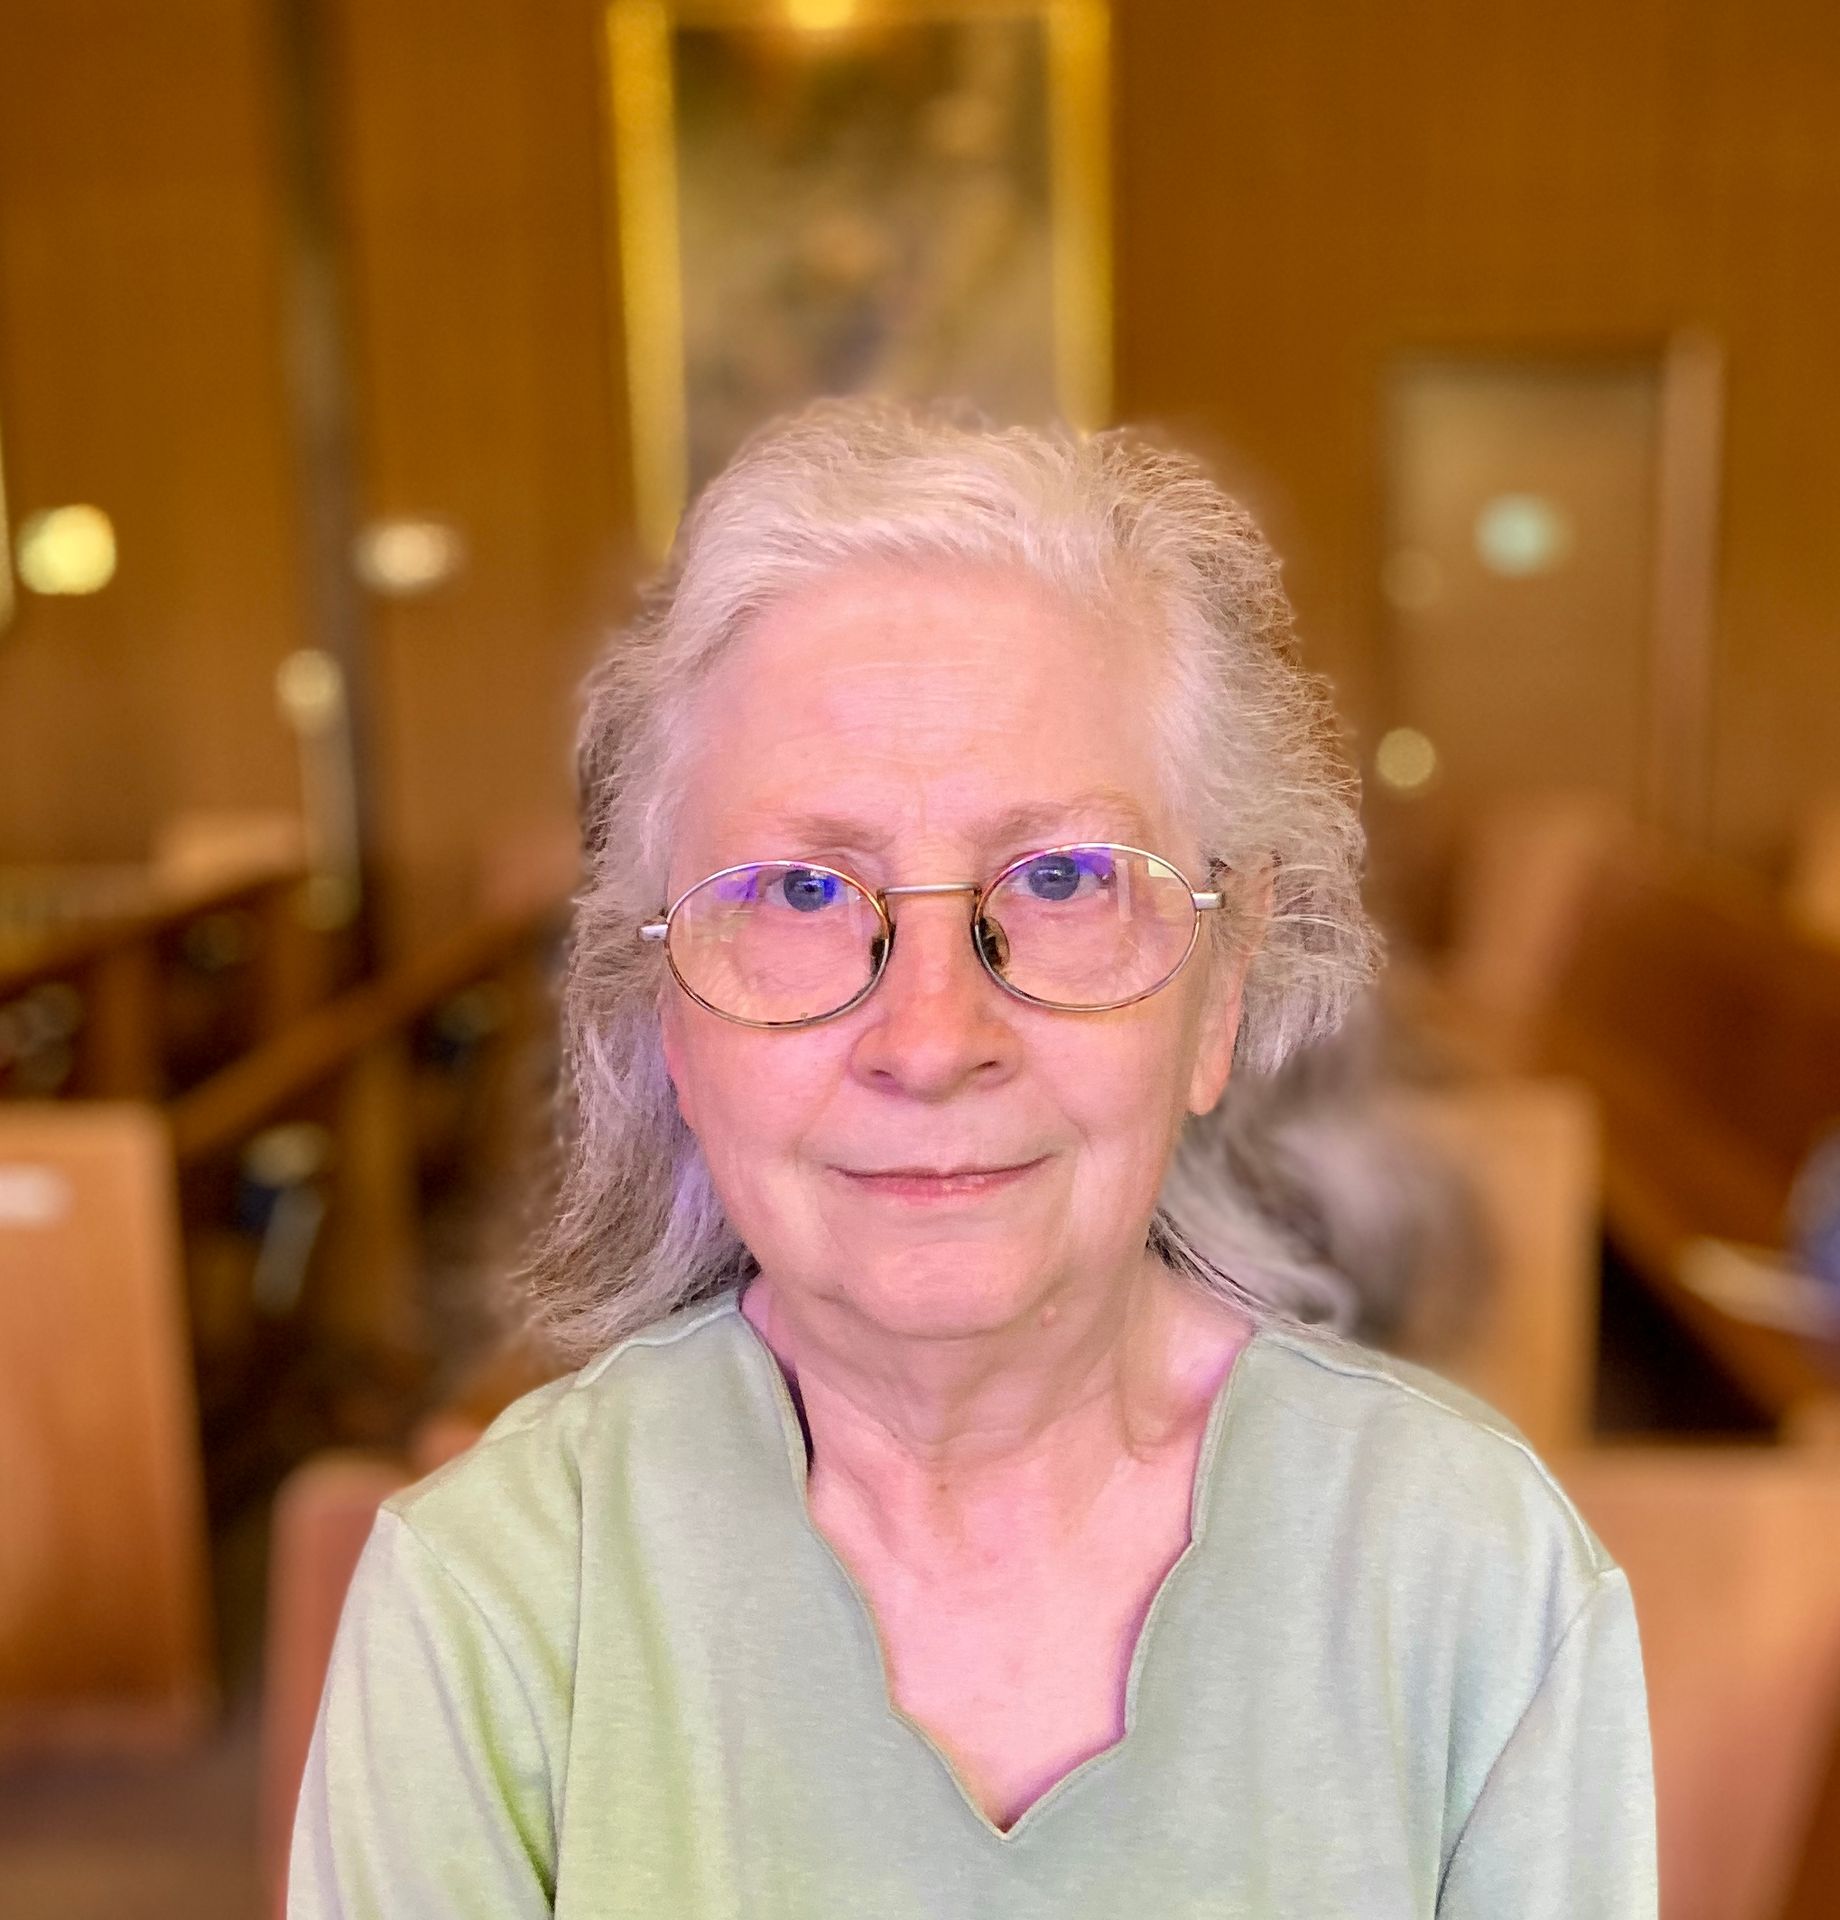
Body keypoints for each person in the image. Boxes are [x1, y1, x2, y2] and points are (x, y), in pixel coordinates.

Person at [289, 401, 1656, 1917]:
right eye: (804, 887)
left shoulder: (1478, 1575)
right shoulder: (488, 1601)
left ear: (1227, 984)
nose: (932, 1037)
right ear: (666, 1004)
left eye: (1065, 878)